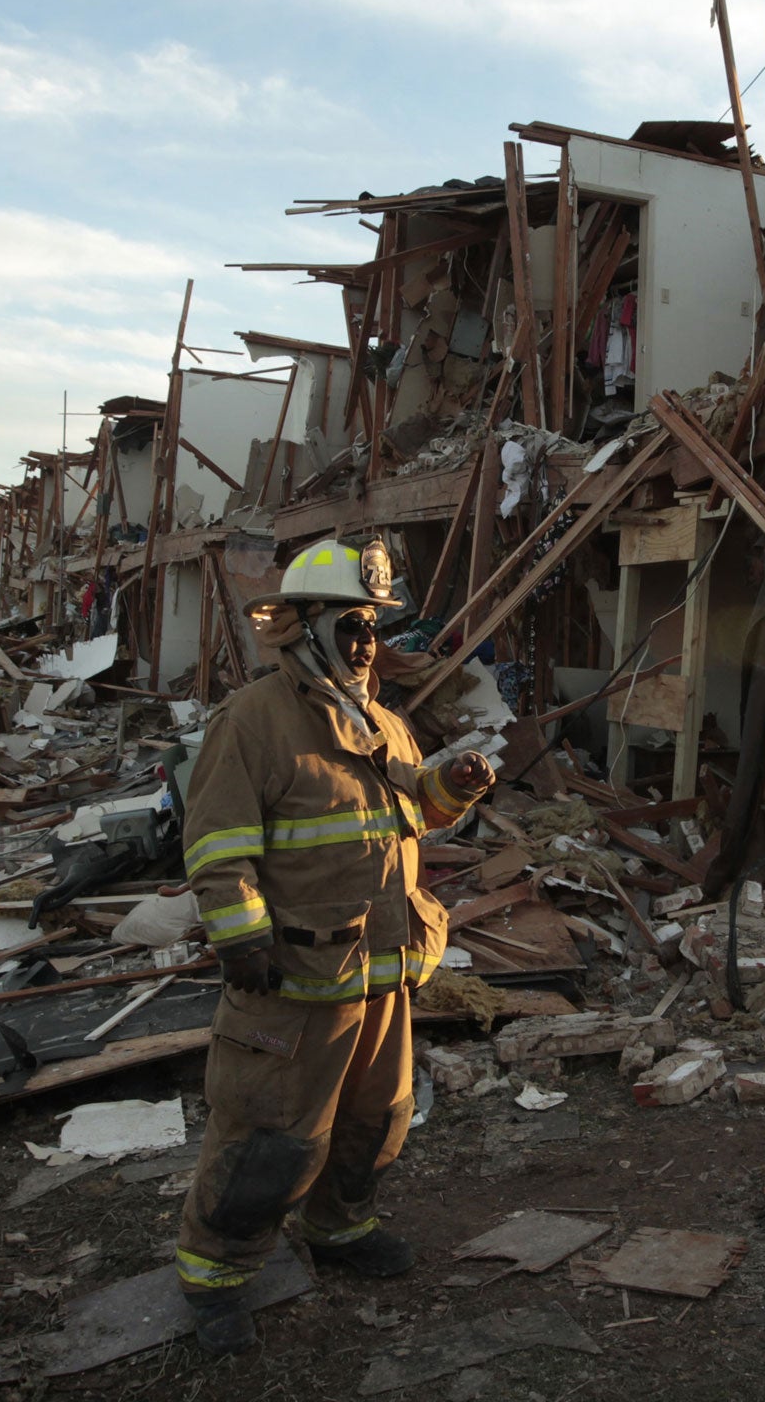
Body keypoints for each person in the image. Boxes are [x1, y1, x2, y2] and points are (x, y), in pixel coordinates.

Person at [174, 536, 494, 1354]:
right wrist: (241, 940)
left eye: (373, 626)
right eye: (350, 624)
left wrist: (446, 790)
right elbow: (217, 844)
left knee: (375, 1119)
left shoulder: (382, 719)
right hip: (294, 980)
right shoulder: (253, 720)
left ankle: (341, 1228)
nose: (365, 642)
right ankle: (215, 1276)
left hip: (383, 972)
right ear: (301, 625)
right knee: (269, 1134)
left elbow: (403, 815)